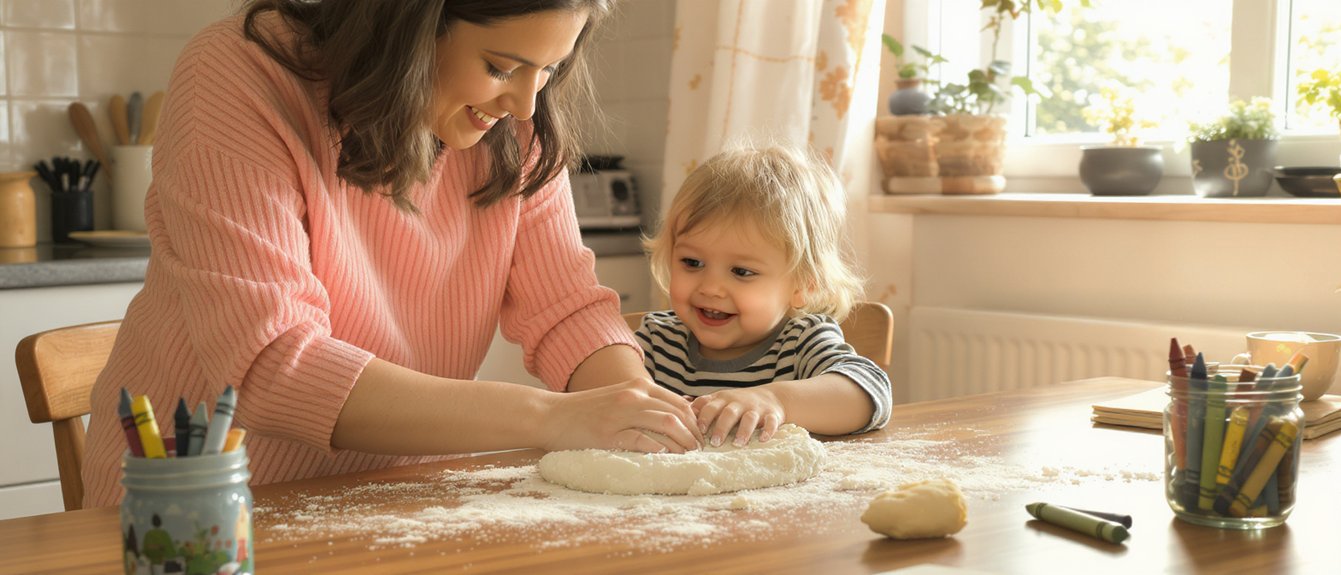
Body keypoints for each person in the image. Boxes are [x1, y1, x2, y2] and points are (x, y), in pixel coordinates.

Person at [81, 0, 702, 508]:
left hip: (399, 500)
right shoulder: (241, 74)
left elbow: (566, 309)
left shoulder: (515, 126)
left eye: (549, 71)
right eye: (500, 66)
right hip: (200, 506)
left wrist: (634, 413)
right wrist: (548, 417)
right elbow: (272, 366)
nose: (526, 105)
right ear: (408, 22)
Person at [637, 144, 893, 449]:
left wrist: (775, 399)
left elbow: (869, 393)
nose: (710, 288)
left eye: (741, 272)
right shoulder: (656, 340)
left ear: (803, 286)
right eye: (692, 263)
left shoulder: (800, 342)